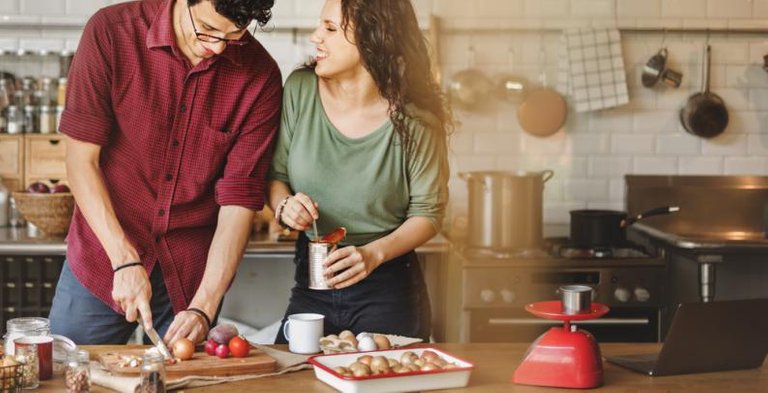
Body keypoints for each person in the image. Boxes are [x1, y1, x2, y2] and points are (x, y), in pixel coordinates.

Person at [50, 0, 282, 345]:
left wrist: (204, 306)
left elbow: (239, 202)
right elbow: (81, 161)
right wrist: (125, 261)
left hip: (189, 277)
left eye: (234, 35)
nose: (217, 47)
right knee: (67, 375)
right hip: (103, 259)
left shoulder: (260, 76)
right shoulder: (112, 32)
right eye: (206, 30)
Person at [269, 0, 451, 343]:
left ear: (374, 40)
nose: (315, 36)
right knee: (292, 378)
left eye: (331, 28)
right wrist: (284, 206)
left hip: (388, 288)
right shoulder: (300, 90)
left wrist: (373, 255)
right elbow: (276, 176)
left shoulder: (416, 120)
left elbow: (428, 214)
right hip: (312, 280)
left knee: (384, 378)